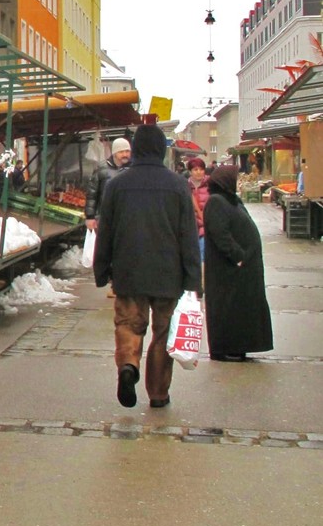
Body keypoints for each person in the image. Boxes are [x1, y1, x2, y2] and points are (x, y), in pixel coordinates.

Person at [92, 123, 203, 409]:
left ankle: (128, 366)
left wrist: (101, 268)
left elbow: (107, 231)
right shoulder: (178, 185)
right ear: (161, 149)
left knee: (129, 324)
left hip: (128, 270)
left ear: (137, 148)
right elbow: (188, 235)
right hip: (169, 275)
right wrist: (193, 279)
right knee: (164, 333)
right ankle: (158, 393)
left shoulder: (117, 185)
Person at [203, 164, 273, 361]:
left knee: (241, 309)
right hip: (228, 269)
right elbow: (221, 235)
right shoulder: (217, 201)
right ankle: (224, 348)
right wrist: (238, 256)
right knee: (227, 308)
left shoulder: (229, 200)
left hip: (239, 270)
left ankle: (238, 345)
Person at [84, 136, 131, 231]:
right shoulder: (102, 169)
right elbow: (92, 194)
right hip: (105, 218)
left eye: (127, 151)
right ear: (114, 153)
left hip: (127, 219)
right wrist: (90, 217)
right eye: (121, 152)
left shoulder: (133, 170)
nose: (125, 154)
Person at [186, 157, 210, 260]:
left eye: (201, 169)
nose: (198, 172)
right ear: (190, 171)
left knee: (202, 252)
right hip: (190, 228)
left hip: (206, 227)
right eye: (195, 170)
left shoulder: (211, 185)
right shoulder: (185, 186)